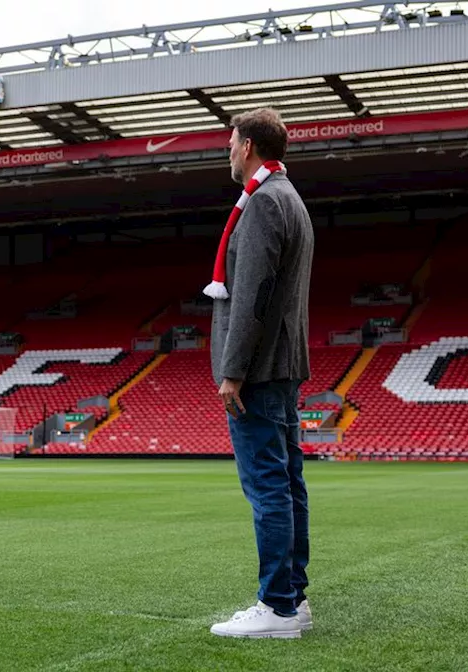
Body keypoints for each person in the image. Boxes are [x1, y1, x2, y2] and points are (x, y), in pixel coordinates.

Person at [206, 107, 314, 640]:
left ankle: (276, 607)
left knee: (269, 487)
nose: (227, 151)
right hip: (282, 365)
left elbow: (252, 296)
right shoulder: (288, 199)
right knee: (289, 484)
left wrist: (233, 371)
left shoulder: (265, 203)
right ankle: (292, 599)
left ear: (247, 145)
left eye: (230, 142)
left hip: (260, 371)